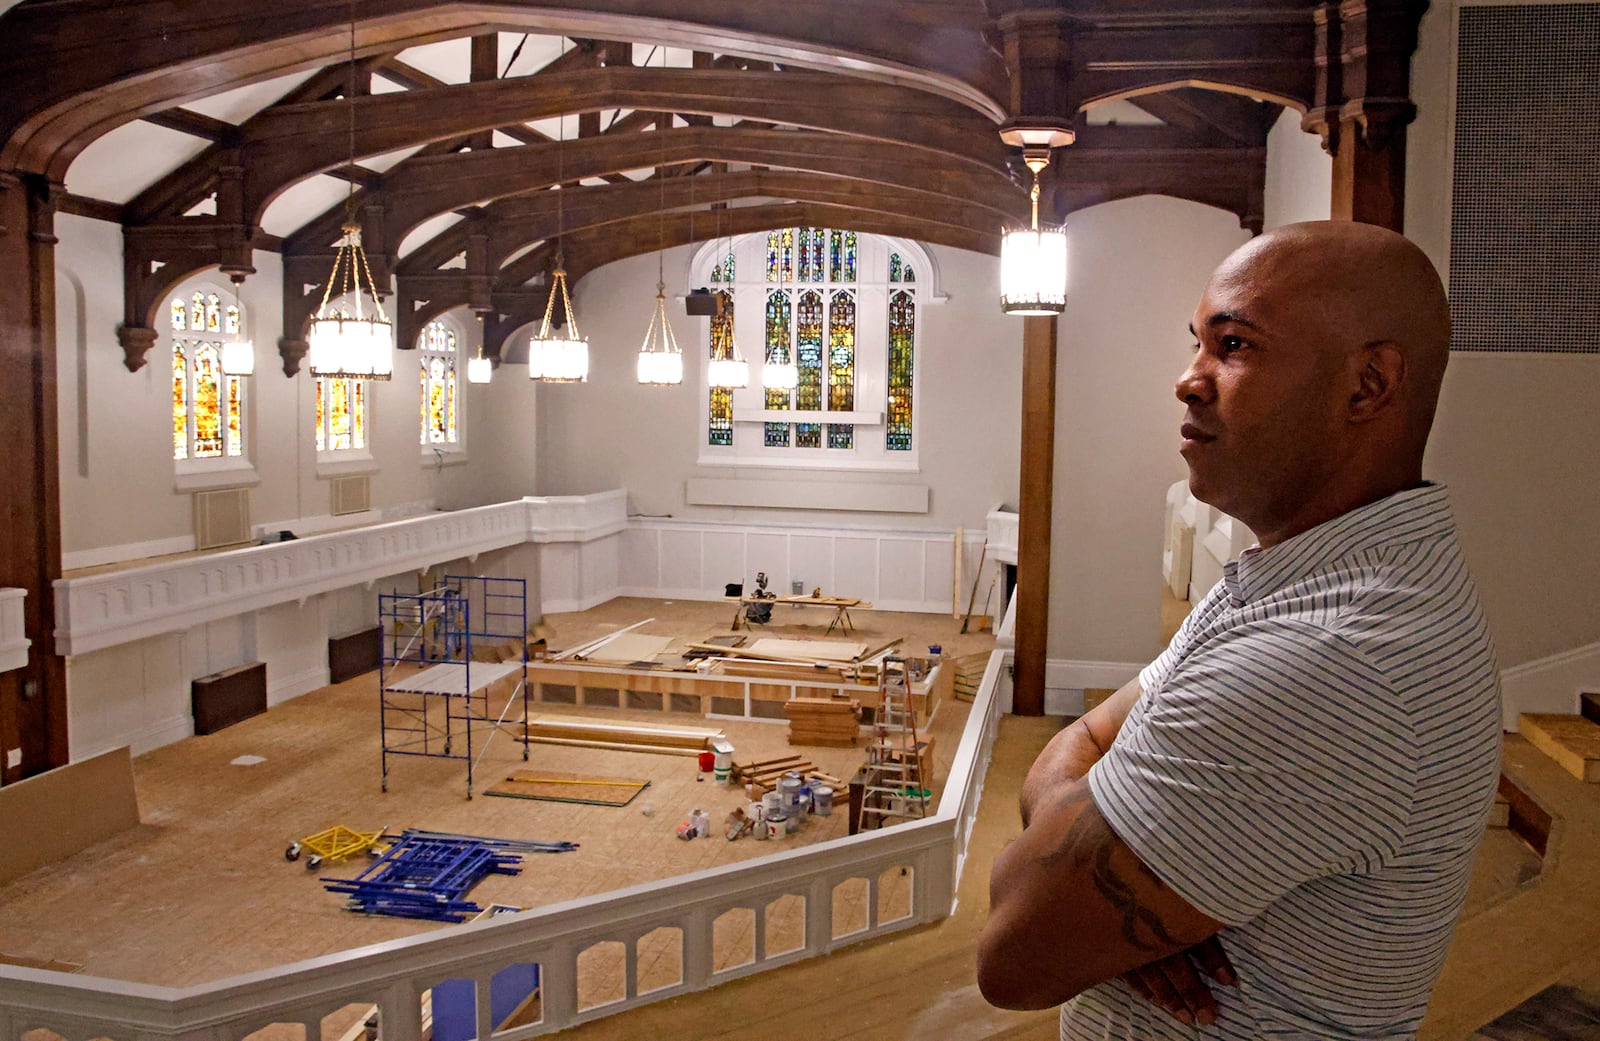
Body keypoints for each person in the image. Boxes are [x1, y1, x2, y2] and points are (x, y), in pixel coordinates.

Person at [976, 221, 1503, 1039]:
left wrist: (1089, 888)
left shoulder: (1328, 661)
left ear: (1367, 385)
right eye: (1198, 344)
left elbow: (1014, 947)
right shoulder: (1305, 579)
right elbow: (1077, 738)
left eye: (1235, 344)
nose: (1188, 381)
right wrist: (1105, 889)